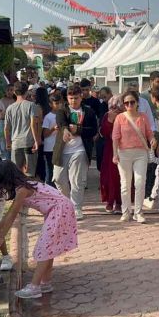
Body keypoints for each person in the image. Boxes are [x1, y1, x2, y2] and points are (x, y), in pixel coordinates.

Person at [0, 160, 78, 299]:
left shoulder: (23, 189)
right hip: (59, 209)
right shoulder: (24, 186)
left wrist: (0, 238)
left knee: (44, 247)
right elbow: (8, 213)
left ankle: (35, 286)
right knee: (49, 247)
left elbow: (12, 214)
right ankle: (45, 282)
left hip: (59, 210)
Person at [52, 85, 97, 220]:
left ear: (81, 97)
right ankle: (66, 203)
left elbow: (93, 130)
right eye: (71, 98)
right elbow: (61, 122)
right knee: (58, 179)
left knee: (77, 180)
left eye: (76, 98)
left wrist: (78, 130)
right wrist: (65, 129)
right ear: (67, 98)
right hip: (62, 150)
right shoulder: (62, 110)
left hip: (80, 150)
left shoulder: (88, 112)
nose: (73, 101)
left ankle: (76, 207)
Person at [112, 90, 154, 224]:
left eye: (132, 102)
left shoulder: (143, 117)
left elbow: (149, 133)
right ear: (123, 104)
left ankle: (138, 212)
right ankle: (126, 212)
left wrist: (153, 139)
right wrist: (115, 154)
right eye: (126, 103)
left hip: (141, 153)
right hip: (124, 153)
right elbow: (115, 137)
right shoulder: (120, 118)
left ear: (137, 103)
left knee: (140, 182)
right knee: (125, 184)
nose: (129, 105)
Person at [4, 81, 40, 177]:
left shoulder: (10, 108)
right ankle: (29, 191)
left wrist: (8, 142)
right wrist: (36, 141)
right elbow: (33, 124)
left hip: (15, 143)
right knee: (30, 173)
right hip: (29, 142)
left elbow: (6, 128)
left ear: (14, 92)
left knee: (16, 173)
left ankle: (18, 191)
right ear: (27, 92)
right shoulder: (31, 105)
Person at [100, 94, 124, 214]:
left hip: (124, 148)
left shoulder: (125, 115)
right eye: (113, 106)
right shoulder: (106, 115)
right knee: (109, 175)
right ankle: (110, 201)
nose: (115, 108)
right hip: (110, 149)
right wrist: (110, 119)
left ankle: (119, 202)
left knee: (120, 176)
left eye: (117, 106)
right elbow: (103, 132)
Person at [41, 93, 62, 187]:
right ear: (50, 104)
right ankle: (49, 189)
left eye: (59, 103)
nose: (58, 105)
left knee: (60, 170)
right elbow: (45, 134)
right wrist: (53, 129)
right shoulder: (48, 117)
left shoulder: (63, 115)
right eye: (56, 103)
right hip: (49, 148)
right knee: (50, 170)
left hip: (60, 147)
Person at [0, 84, 16, 160]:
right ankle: (6, 160)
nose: (10, 92)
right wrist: (5, 113)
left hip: (14, 124)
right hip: (3, 123)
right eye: (8, 90)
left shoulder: (16, 100)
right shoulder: (1, 101)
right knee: (3, 145)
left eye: (11, 90)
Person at [34, 87, 50, 183]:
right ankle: (47, 181)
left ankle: (40, 180)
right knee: (47, 163)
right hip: (48, 136)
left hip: (39, 136)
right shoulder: (49, 107)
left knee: (39, 161)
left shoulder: (36, 107)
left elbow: (36, 123)